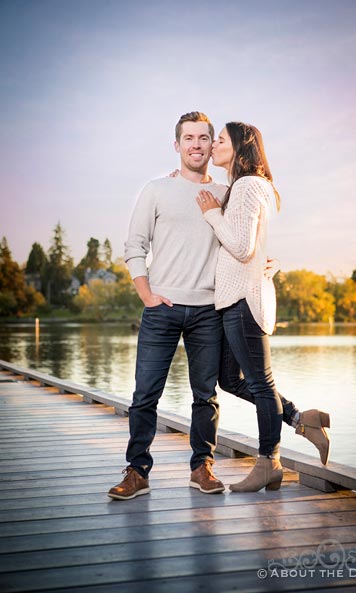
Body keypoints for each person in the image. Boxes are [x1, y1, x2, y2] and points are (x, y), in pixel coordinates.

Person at [196, 122, 330, 492]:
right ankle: (302, 419)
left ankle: (269, 462)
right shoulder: (243, 187)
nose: (214, 144)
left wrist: (210, 214)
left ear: (240, 147)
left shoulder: (248, 186)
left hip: (243, 301)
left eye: (221, 139)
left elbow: (241, 247)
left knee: (259, 381)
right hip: (232, 299)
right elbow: (252, 245)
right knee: (231, 379)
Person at [108, 112, 228, 499]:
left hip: (210, 309)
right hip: (162, 308)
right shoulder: (156, 189)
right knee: (145, 394)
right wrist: (147, 294)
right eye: (188, 138)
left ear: (212, 145)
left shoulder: (226, 193)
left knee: (205, 395)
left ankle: (202, 467)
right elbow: (134, 246)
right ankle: (137, 471)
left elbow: (243, 241)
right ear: (176, 145)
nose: (196, 145)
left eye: (203, 138)